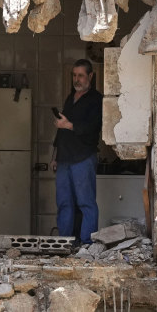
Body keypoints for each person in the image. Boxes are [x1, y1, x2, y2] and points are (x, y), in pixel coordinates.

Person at [50, 59, 102, 245]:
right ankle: (65, 242)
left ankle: (87, 243)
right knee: (64, 203)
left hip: (83, 157)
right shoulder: (70, 98)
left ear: (90, 76)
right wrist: (55, 156)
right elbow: (61, 131)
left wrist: (68, 125)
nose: (77, 79)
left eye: (81, 75)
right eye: (74, 75)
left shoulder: (96, 99)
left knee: (86, 203)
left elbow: (92, 127)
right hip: (64, 158)